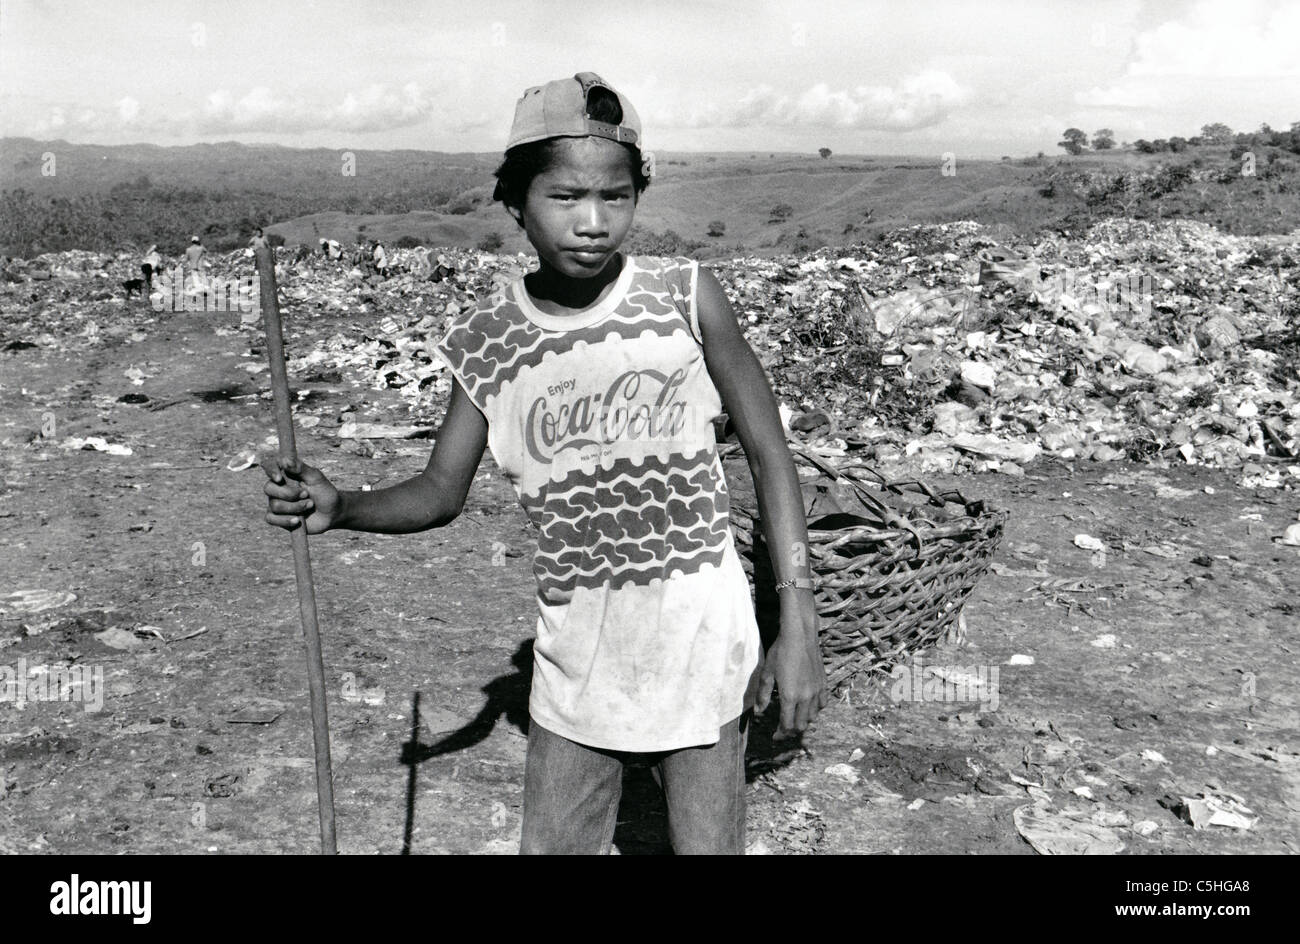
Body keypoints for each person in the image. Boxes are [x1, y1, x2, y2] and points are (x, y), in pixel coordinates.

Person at [261, 72, 825, 855]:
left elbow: (769, 455)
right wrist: (343, 506)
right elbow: (438, 491)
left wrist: (797, 622)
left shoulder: (687, 299)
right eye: (565, 198)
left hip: (700, 649)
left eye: (616, 197)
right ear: (516, 202)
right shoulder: (489, 342)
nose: (593, 223)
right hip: (574, 667)